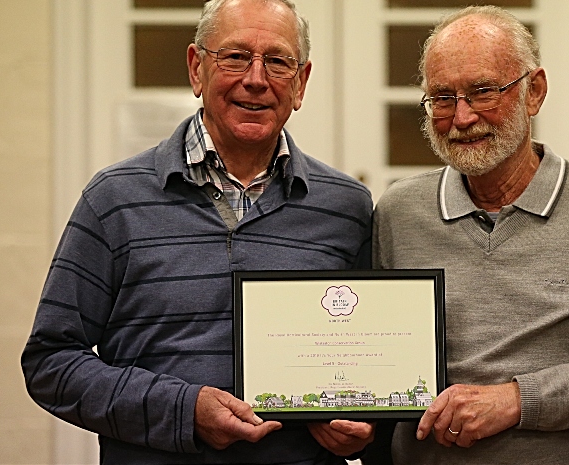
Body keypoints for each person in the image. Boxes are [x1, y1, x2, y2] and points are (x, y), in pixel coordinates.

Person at [21, 0, 378, 463]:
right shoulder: (114, 199)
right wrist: (183, 410)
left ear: (301, 82)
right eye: (233, 57)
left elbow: (374, 361)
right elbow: (50, 363)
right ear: (196, 68)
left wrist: (367, 426)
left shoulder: (346, 208)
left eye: (277, 61)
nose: (256, 78)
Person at [372, 5, 569, 464]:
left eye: (482, 92)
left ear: (533, 92)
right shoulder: (399, 211)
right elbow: (375, 363)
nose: (461, 118)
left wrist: (517, 402)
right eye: (442, 97)